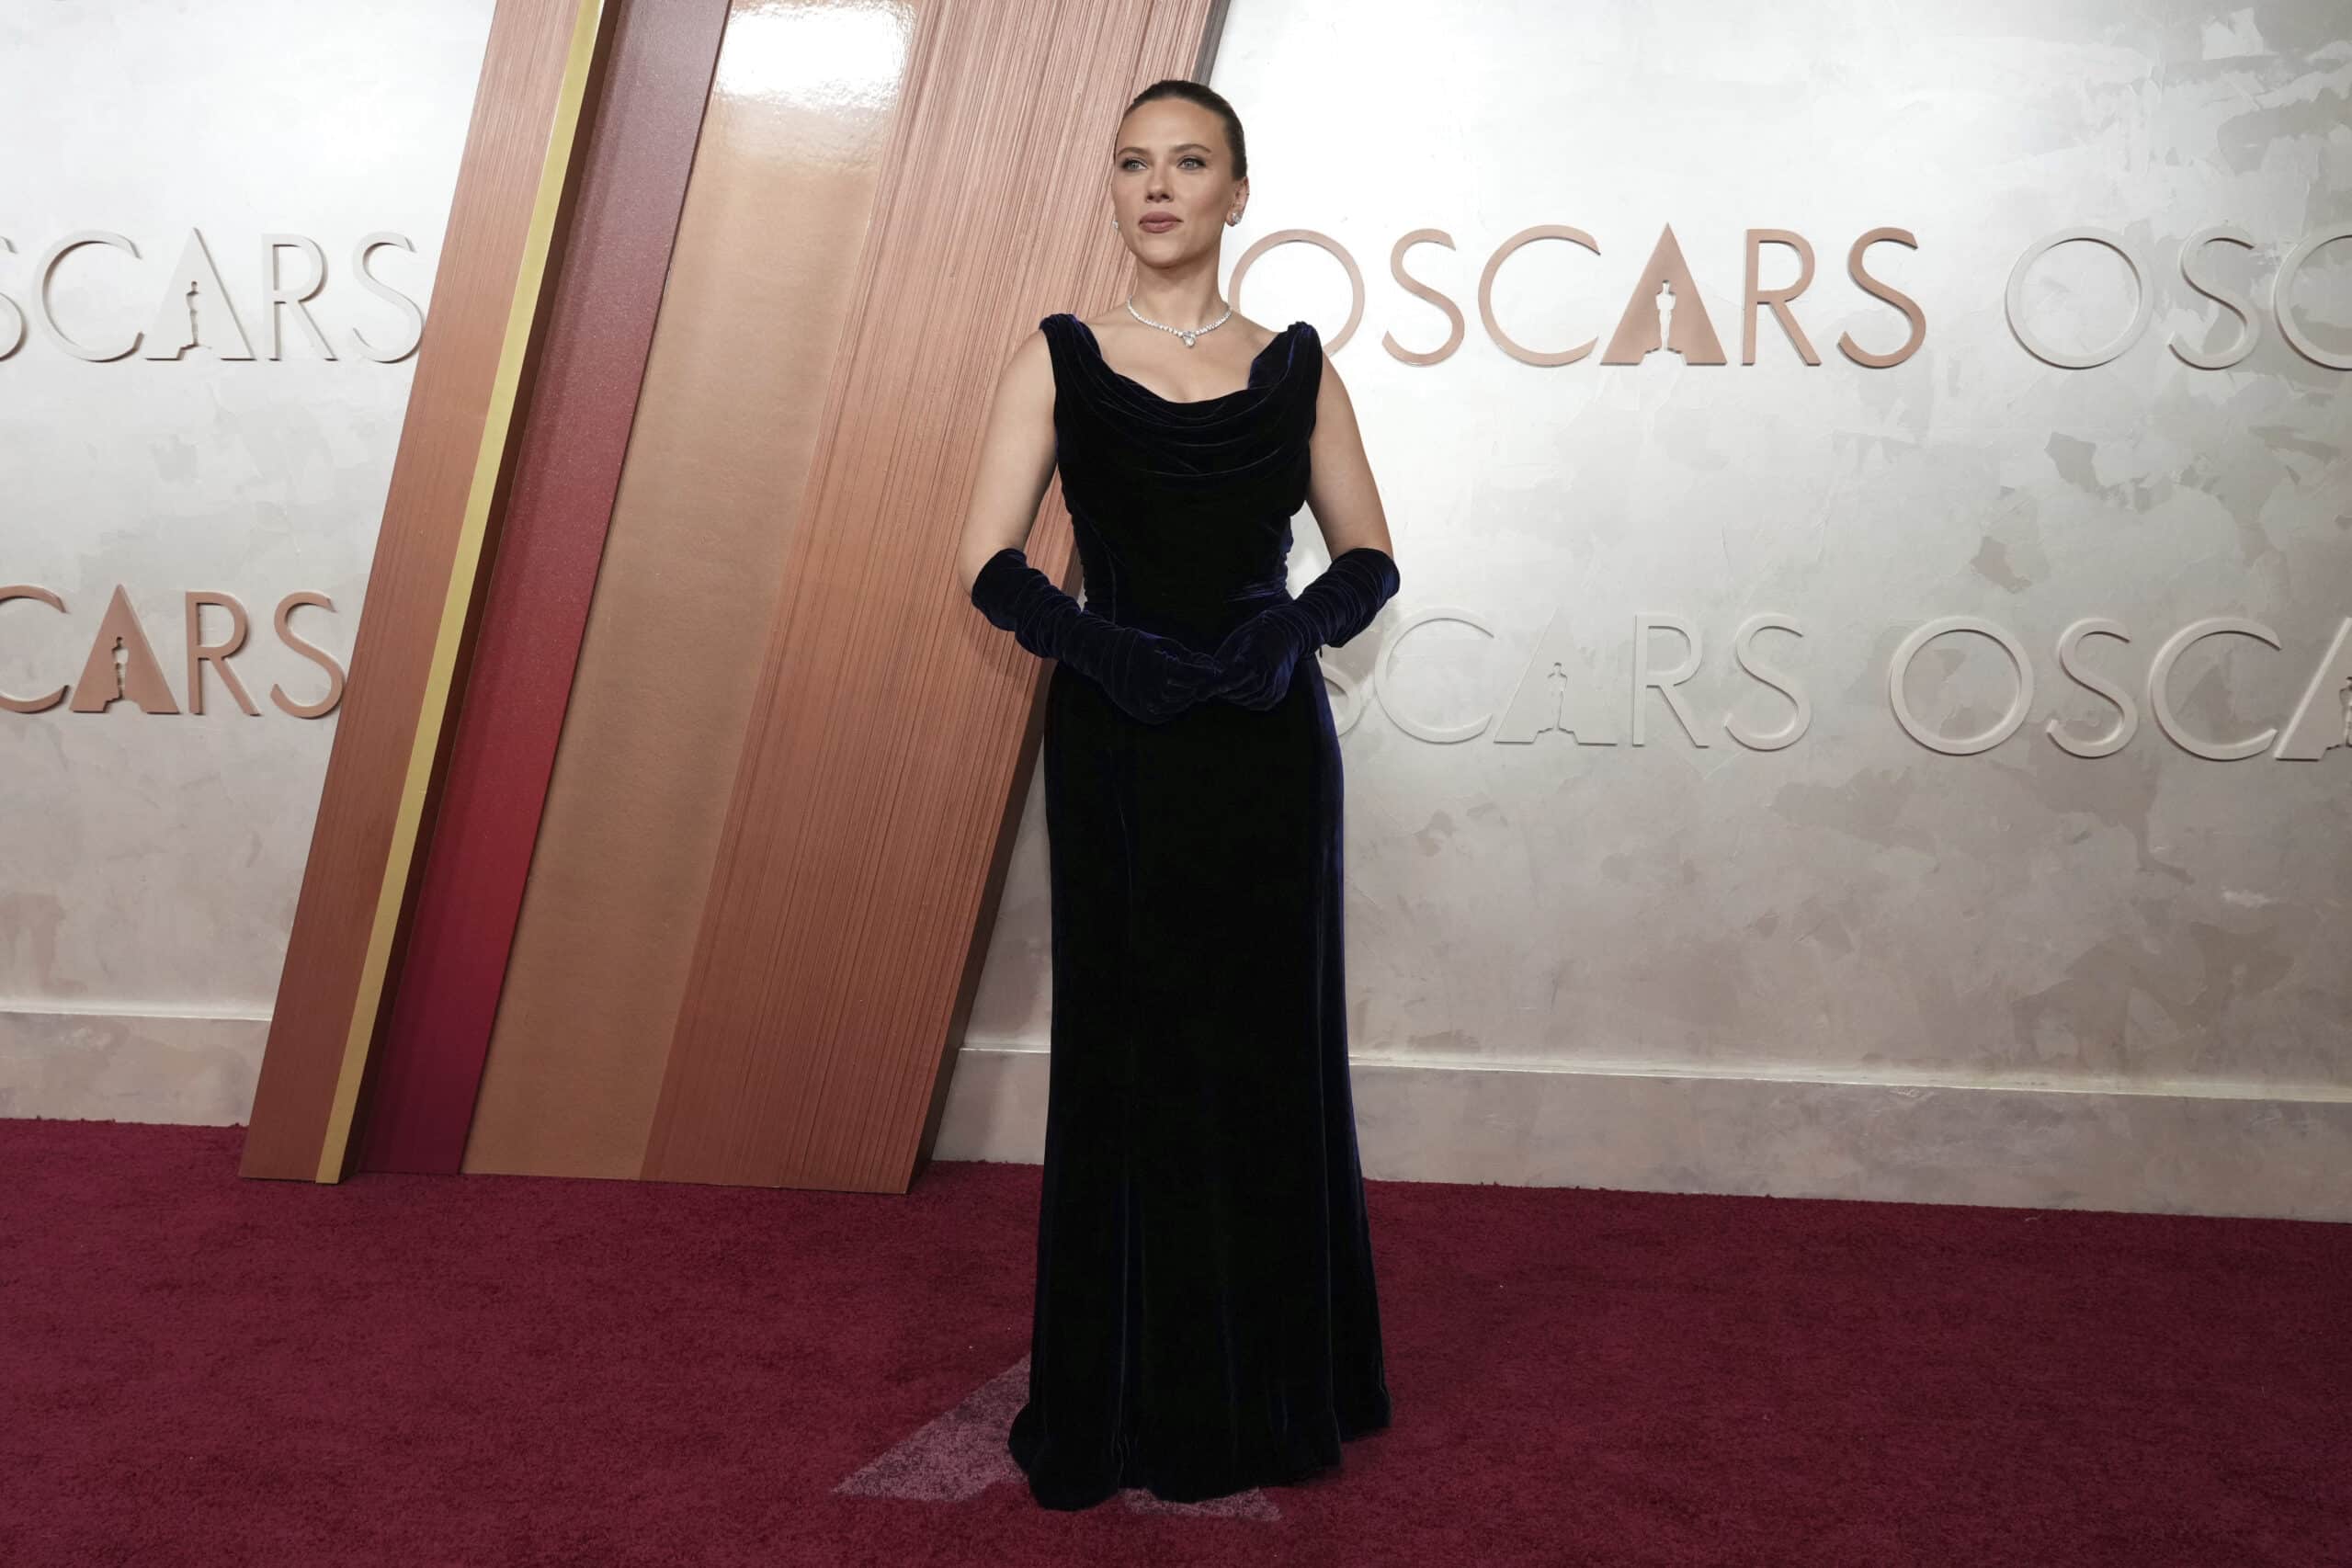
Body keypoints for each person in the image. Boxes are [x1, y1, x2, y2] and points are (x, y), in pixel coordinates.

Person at [954, 78, 1399, 1511]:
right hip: (1121, 750)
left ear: (1236, 192)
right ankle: (1124, 1391)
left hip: (1268, 746)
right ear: (1115, 189)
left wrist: (1290, 632)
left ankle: (1277, 1387)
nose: (1159, 186)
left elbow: (1367, 559)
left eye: (1189, 162)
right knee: (1133, 1050)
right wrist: (1109, 650)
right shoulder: (1060, 358)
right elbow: (992, 562)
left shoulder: (1297, 366)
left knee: (1266, 1049)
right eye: (1136, 163)